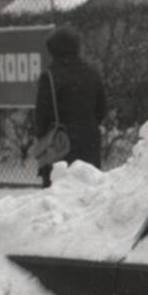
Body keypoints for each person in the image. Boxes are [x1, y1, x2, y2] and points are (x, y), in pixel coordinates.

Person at [33, 25, 106, 187]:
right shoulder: (92, 73)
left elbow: (41, 117)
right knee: (89, 190)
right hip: (89, 141)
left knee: (59, 192)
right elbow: (101, 110)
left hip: (60, 144)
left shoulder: (49, 76)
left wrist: (42, 137)